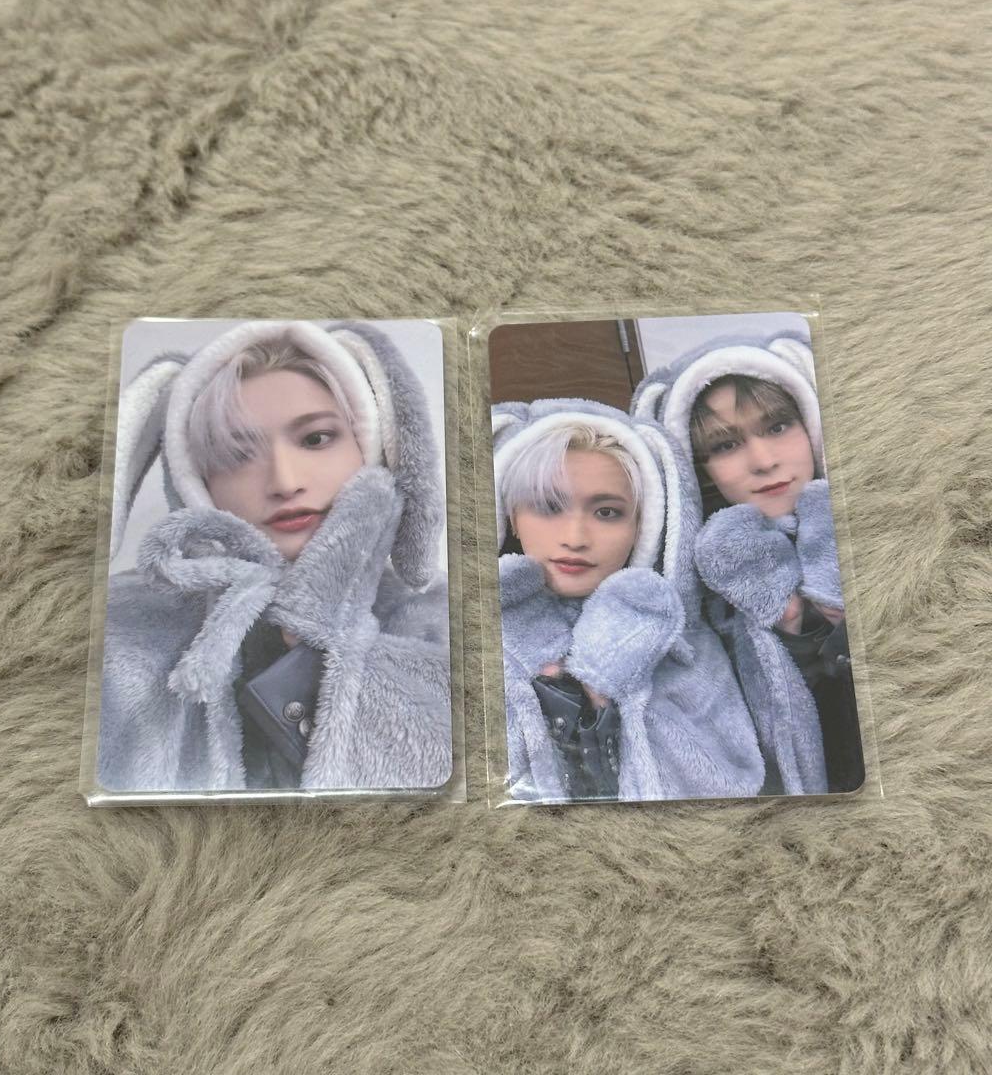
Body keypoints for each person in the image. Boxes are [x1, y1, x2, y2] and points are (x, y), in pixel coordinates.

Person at [97, 320, 452, 793]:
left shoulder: (447, 622)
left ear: (372, 448)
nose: (284, 481)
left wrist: (324, 627)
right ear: (196, 483)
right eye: (236, 454)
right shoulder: (116, 626)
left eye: (316, 439)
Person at [492, 398, 765, 803]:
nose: (575, 537)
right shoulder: (468, 632)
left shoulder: (678, 640)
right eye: (548, 506)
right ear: (512, 515)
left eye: (607, 512)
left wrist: (606, 703)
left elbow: (733, 786)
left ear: (642, 524)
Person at [634, 337, 865, 795]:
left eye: (778, 426)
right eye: (725, 445)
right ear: (696, 468)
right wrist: (794, 628)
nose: (763, 461)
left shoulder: (890, 532)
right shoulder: (697, 595)